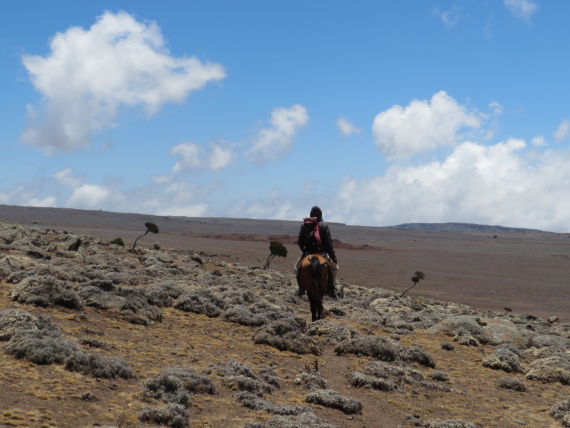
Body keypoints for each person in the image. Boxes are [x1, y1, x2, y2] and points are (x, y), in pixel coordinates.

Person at [295, 206, 338, 297]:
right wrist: (333, 257)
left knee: (296, 267)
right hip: (321, 253)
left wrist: (305, 251)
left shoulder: (304, 225)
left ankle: (301, 288)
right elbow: (329, 243)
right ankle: (331, 288)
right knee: (334, 269)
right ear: (320, 215)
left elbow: (300, 242)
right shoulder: (324, 225)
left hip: (307, 253)